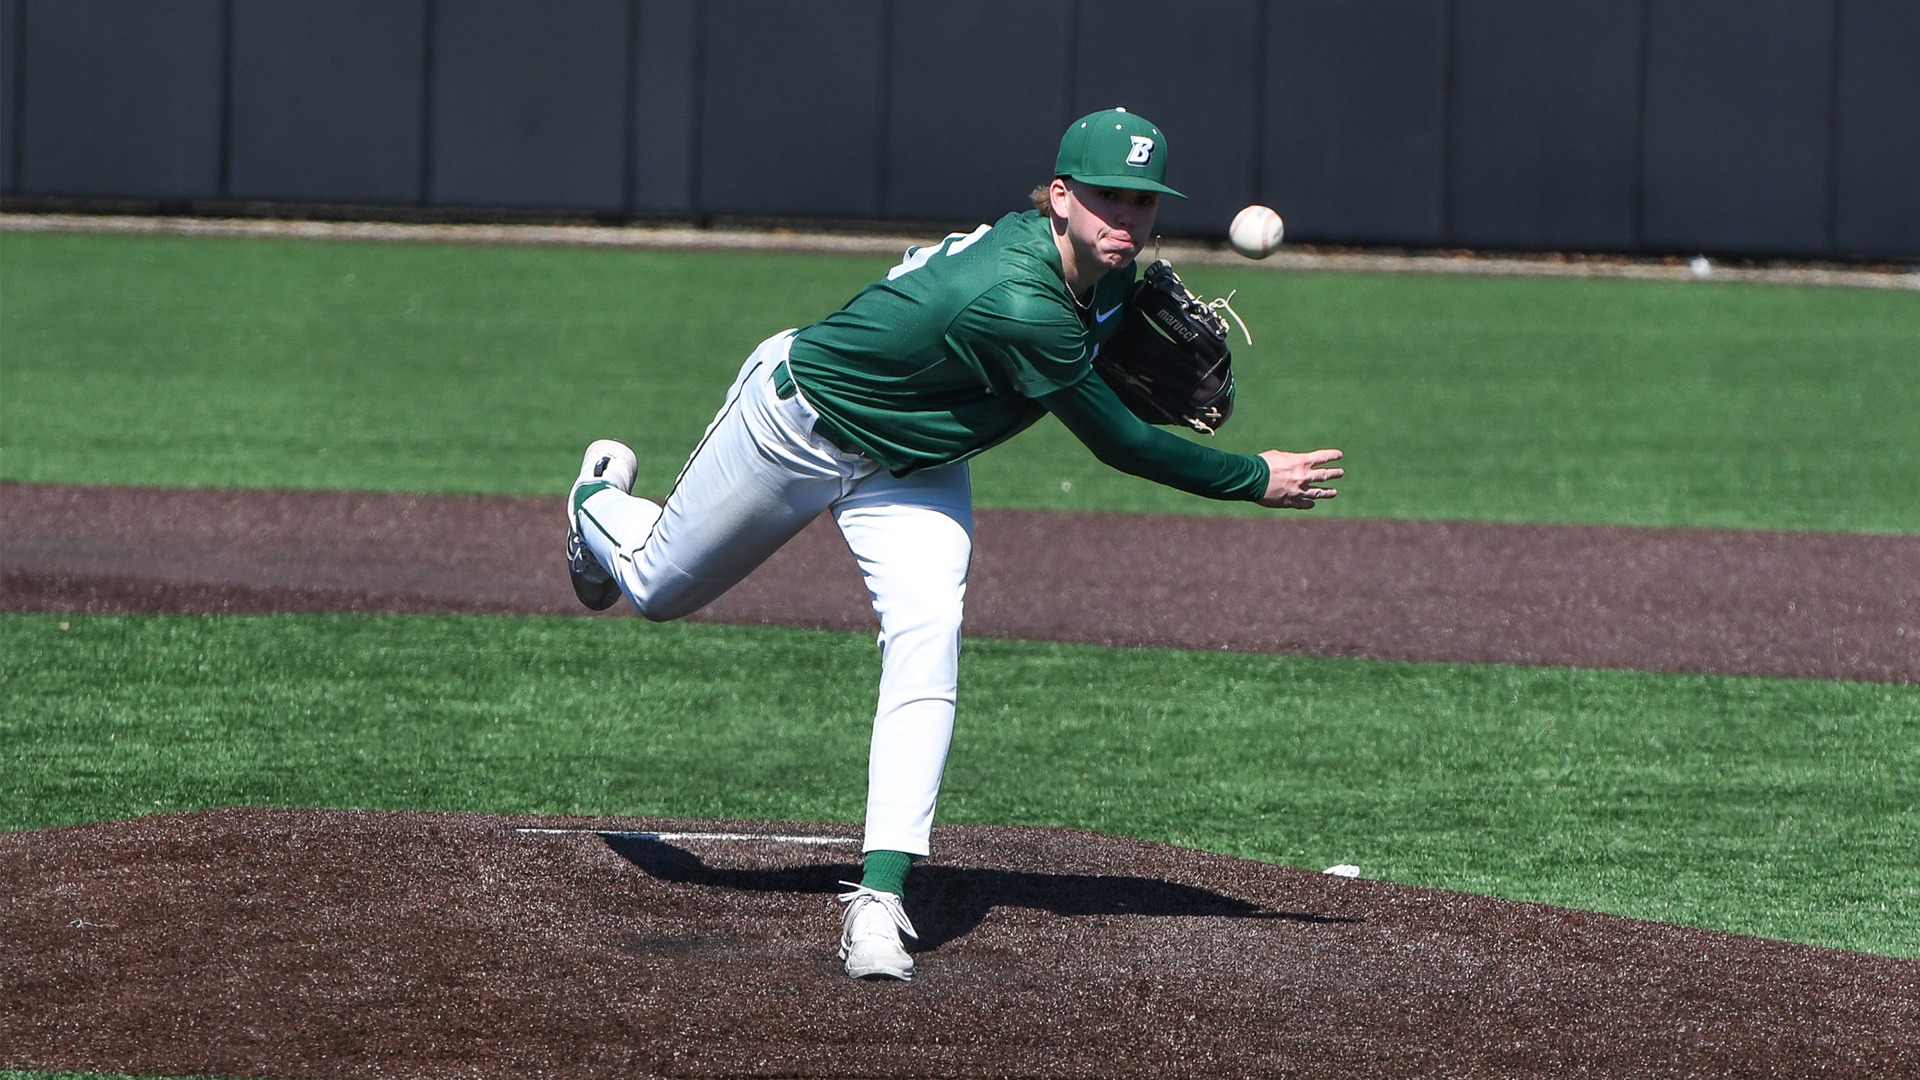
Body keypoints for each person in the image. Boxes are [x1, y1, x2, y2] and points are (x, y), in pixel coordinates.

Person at [564, 107, 1343, 982]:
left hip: (916, 463)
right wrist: (1252, 477)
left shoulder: (1104, 272)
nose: (1125, 219)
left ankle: (879, 900)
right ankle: (597, 499)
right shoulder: (1019, 301)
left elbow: (1107, 314)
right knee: (657, 587)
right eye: (1105, 199)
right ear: (1059, 197)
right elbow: (1122, 443)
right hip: (801, 423)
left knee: (928, 635)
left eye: (1143, 201)